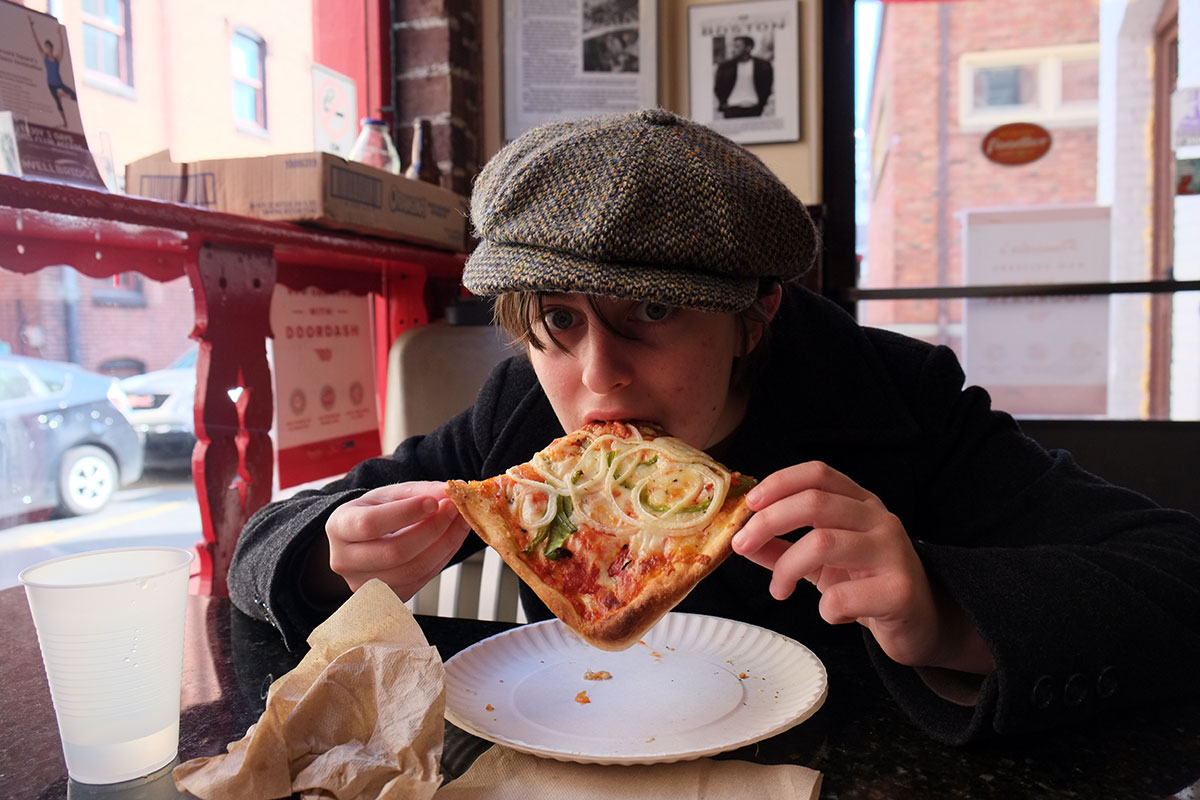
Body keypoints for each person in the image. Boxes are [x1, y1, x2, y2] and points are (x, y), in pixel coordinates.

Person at [229, 108, 1200, 745]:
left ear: (756, 313)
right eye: (559, 319)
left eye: (652, 312)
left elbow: (1178, 573)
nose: (597, 377)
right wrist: (330, 555)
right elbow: (266, 542)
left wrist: (940, 607)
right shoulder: (521, 411)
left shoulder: (897, 401)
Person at [28, 18, 78, 129]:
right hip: (51, 84)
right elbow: (37, 44)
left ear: (51, 47)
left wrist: (60, 34)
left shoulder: (56, 59)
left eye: (48, 46)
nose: (47, 48)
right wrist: (32, 28)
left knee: (74, 96)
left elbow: (62, 48)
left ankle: (63, 95)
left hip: (59, 83)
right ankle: (65, 123)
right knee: (58, 103)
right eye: (46, 47)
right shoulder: (45, 57)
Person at [713, 36, 773, 118]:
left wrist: (761, 104)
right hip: (731, 109)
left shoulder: (763, 65)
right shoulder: (725, 67)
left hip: (754, 109)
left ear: (748, 48)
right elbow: (718, 87)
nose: (733, 50)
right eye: (733, 46)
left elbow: (767, 87)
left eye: (737, 46)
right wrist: (724, 103)